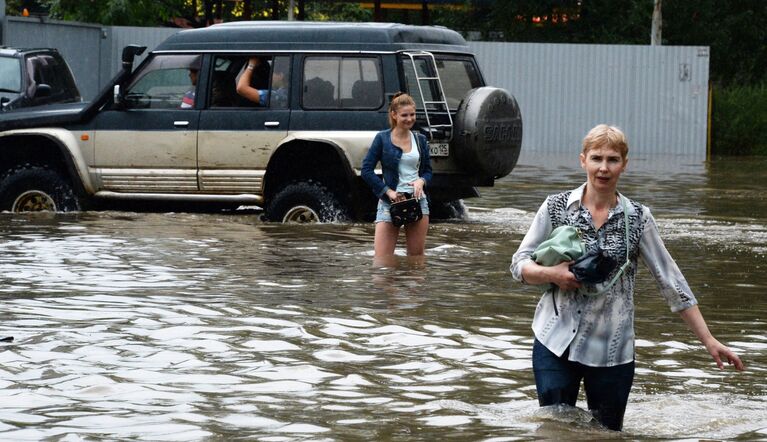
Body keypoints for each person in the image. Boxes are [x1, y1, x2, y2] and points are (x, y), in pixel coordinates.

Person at [510, 124, 744, 431]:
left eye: (612, 160)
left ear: (624, 164)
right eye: (596, 158)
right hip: (555, 341)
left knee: (607, 434)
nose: (603, 168)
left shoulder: (638, 217)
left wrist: (709, 340)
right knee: (554, 429)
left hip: (612, 350)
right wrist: (550, 274)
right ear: (583, 161)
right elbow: (518, 265)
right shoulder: (555, 207)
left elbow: (672, 282)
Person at [361, 92, 432, 257]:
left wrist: (421, 181)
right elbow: (366, 170)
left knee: (415, 262)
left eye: (412, 114)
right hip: (389, 203)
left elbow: (428, 171)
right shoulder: (382, 138)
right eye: (404, 115)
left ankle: (412, 283)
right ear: (394, 115)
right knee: (382, 262)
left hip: (417, 202)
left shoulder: (420, 140)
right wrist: (388, 191)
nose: (409, 119)